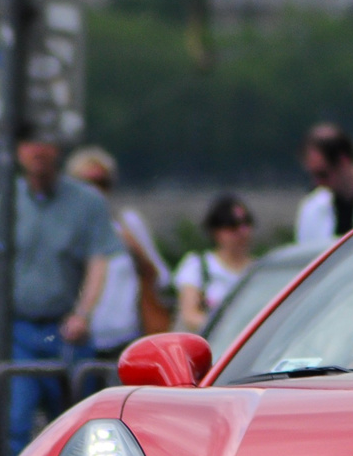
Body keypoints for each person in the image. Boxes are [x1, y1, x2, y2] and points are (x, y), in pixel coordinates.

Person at [0, 135, 121, 456]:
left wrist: (84, 313)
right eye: (28, 142)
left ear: (59, 149)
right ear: (18, 151)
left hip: (63, 328)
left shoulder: (87, 202)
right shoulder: (4, 200)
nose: (37, 151)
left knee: (73, 427)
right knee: (13, 423)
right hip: (16, 329)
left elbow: (99, 262)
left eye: (45, 142)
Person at [65, 146, 170, 359]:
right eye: (87, 184)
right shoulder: (65, 229)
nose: (95, 191)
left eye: (102, 183)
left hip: (125, 337)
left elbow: (161, 277)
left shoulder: (128, 223)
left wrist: (134, 248)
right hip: (79, 337)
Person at [176, 194, 255, 333]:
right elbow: (189, 315)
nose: (242, 232)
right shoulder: (198, 266)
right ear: (216, 231)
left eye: (246, 223)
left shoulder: (259, 269)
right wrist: (230, 328)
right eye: (233, 225)